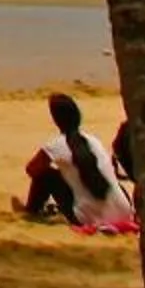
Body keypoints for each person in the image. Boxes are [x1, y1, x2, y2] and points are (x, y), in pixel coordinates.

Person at [16, 93, 136, 233]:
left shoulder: (55, 145)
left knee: (47, 176)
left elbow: (32, 170)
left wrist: (61, 172)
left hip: (87, 218)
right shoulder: (93, 141)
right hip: (124, 212)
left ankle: (31, 211)